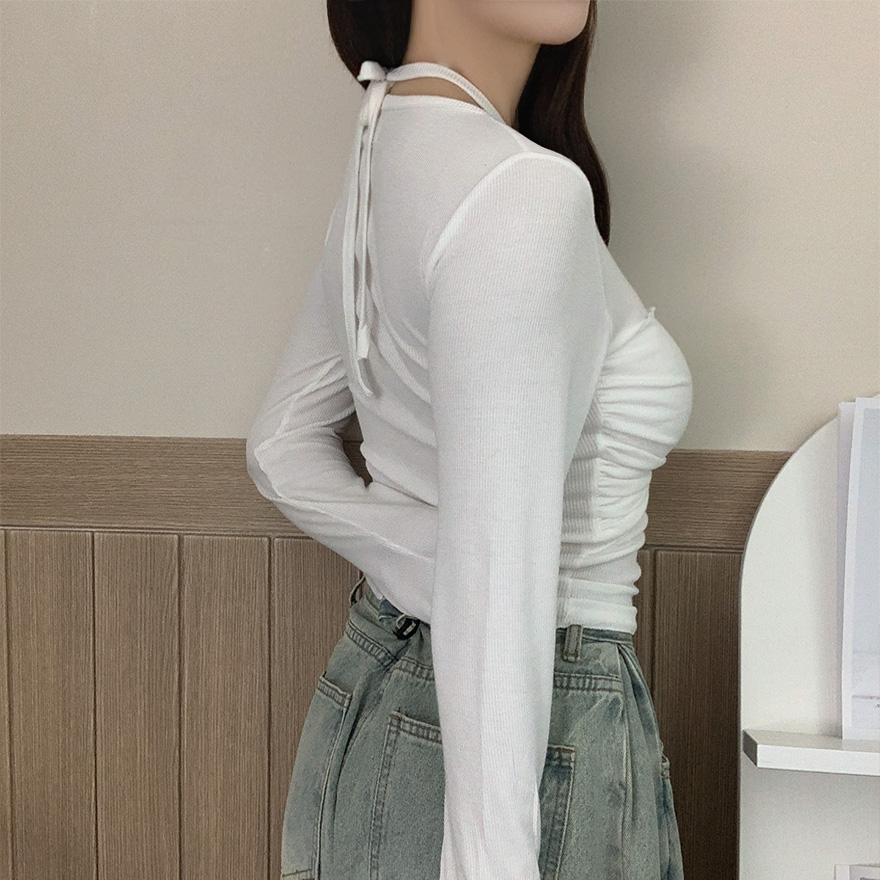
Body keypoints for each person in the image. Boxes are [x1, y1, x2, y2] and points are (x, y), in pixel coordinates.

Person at [246, 1, 693, 877]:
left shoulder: (387, 152)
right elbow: (493, 594)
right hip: (533, 736)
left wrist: (435, 559)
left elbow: (278, 445)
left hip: (375, 697)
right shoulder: (520, 190)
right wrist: (467, 568)